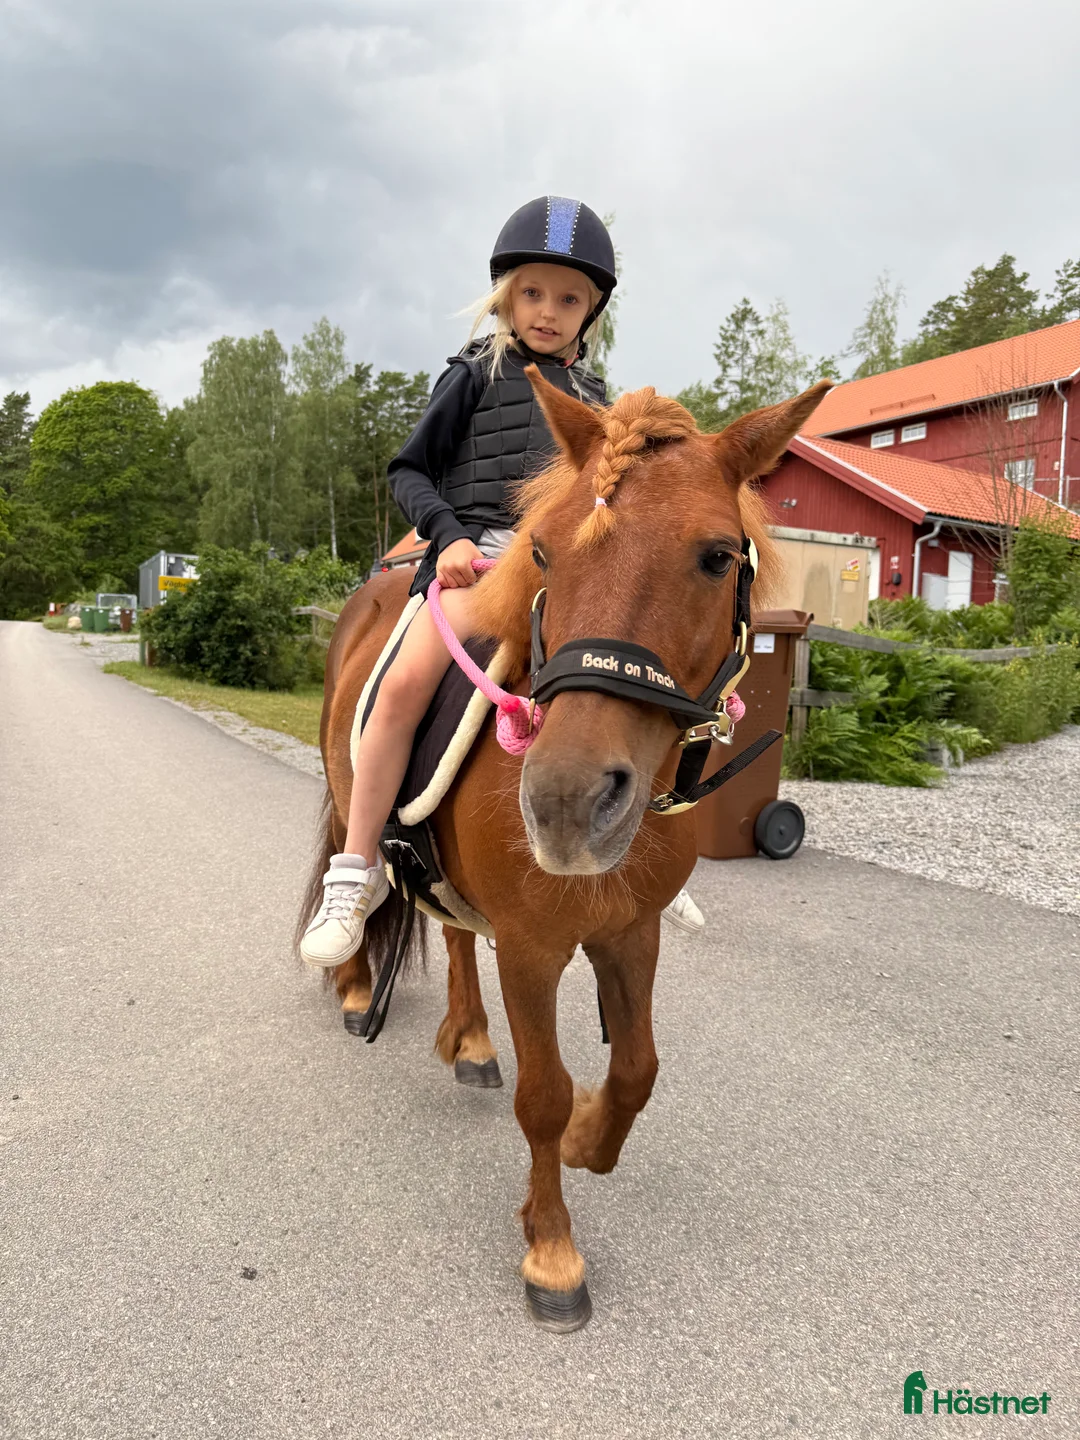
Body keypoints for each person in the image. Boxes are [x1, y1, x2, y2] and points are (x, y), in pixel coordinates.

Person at [301, 197, 703, 968]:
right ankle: (353, 874)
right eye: (532, 293)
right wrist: (445, 536)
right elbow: (410, 469)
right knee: (400, 688)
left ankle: (644, 835)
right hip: (472, 558)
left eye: (569, 298)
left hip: (561, 564)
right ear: (506, 297)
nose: (548, 312)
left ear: (591, 312)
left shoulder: (598, 402)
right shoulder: (473, 373)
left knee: (634, 678)